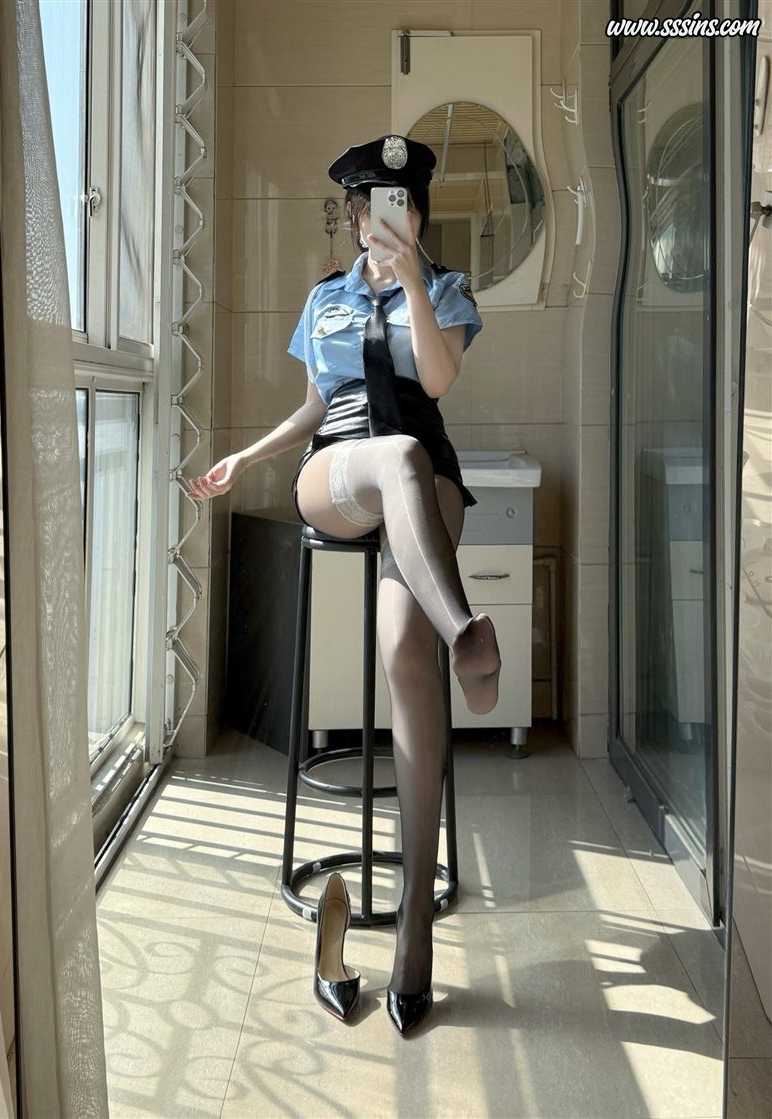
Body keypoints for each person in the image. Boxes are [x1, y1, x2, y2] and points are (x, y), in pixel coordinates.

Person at [187, 135, 501, 1034]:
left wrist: (411, 284)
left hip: (425, 480)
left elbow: (436, 378)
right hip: (339, 474)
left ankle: (414, 936)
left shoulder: (447, 291)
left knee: (403, 651)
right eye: (374, 206)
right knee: (391, 454)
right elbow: (319, 403)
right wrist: (249, 454)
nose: (386, 218)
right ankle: (467, 630)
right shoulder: (325, 297)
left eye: (404, 204)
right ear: (357, 215)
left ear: (418, 214)